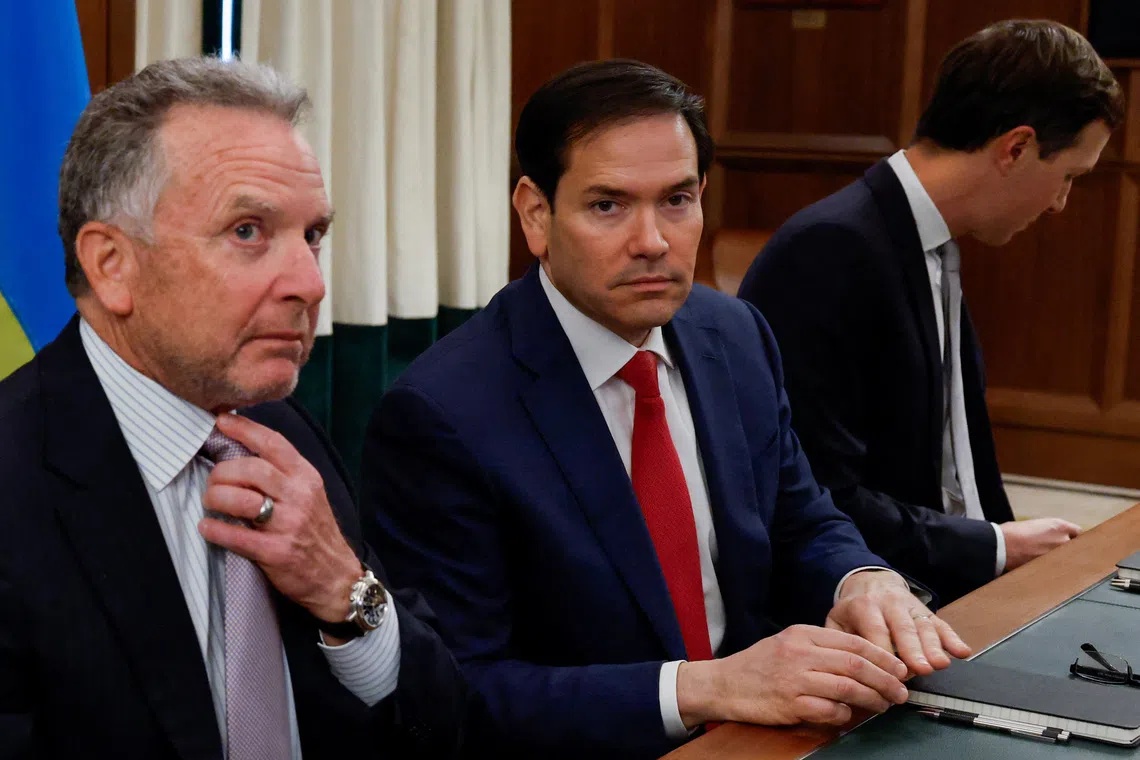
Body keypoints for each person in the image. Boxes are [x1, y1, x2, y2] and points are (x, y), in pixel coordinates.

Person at [360, 59, 971, 760]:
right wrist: (703, 688)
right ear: (535, 213)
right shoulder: (441, 415)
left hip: (764, 738)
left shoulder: (734, 336)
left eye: (677, 200)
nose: (652, 241)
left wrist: (861, 579)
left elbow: (800, 520)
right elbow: (461, 694)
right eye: (608, 205)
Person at [0, 57, 467, 759]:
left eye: (312, 236)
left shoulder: (282, 432)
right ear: (111, 265)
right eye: (248, 231)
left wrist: (349, 598)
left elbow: (449, 729)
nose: (309, 283)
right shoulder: (14, 476)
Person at [737, 19, 1123, 604]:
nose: (1060, 204)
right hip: (874, 606)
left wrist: (1027, 574)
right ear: (1015, 148)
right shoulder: (832, 249)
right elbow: (817, 497)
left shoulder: (929, 239)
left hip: (957, 585)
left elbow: (960, 465)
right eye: (1067, 176)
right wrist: (994, 547)